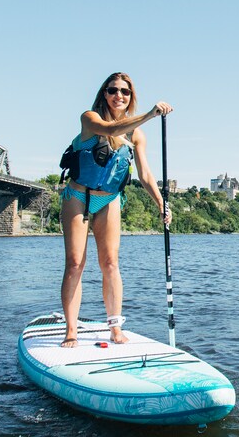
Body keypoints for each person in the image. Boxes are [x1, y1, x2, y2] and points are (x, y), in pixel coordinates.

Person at [59, 72, 172, 347]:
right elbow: (110, 131)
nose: (118, 96)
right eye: (113, 90)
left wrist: (161, 204)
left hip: (110, 199)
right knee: (75, 264)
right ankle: (71, 330)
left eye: (125, 91)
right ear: (104, 93)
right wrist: (149, 114)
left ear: (131, 96)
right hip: (78, 196)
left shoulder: (137, 134)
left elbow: (145, 175)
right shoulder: (90, 118)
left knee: (110, 263)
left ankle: (115, 328)